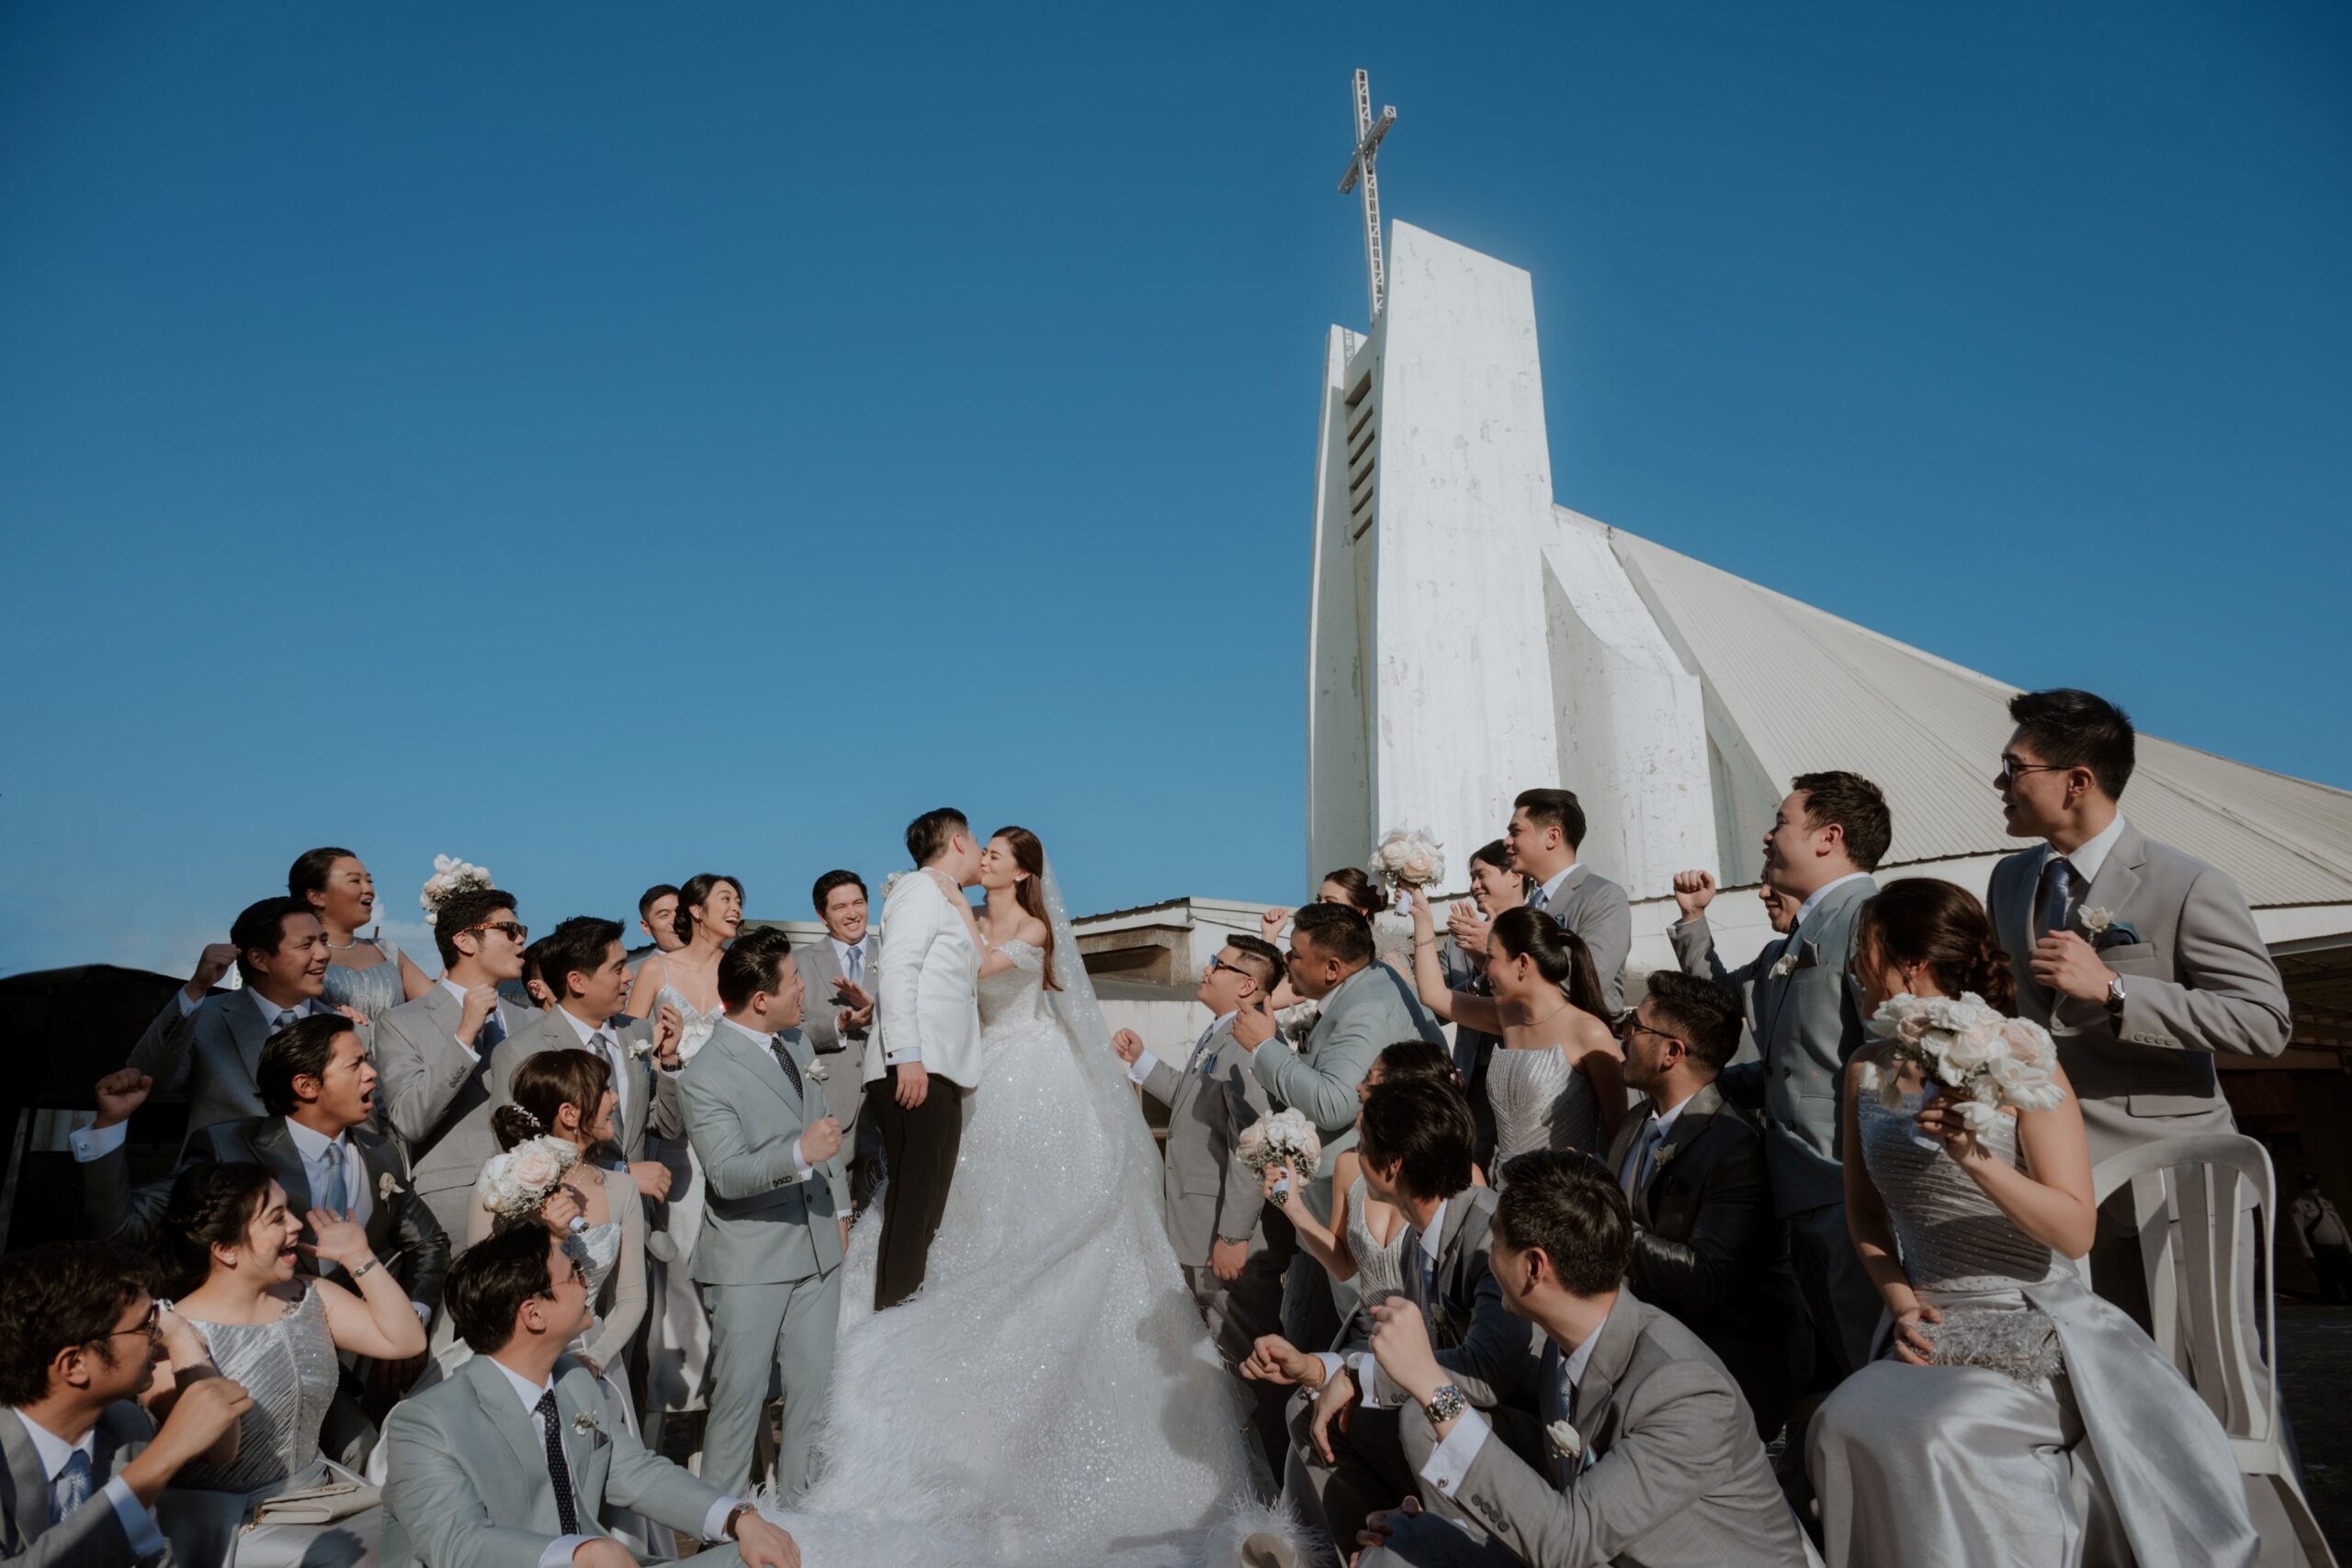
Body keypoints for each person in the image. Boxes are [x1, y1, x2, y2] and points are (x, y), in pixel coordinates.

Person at [770, 823, 1275, 1564]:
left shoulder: (1030, 923)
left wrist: (942, 897)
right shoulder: (959, 909)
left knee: (1043, 1210)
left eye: (998, 855)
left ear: (1020, 870)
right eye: (983, 851)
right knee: (960, 1213)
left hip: (1034, 1074)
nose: (986, 861)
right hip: (975, 1072)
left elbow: (976, 971)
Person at [1809, 876, 2258, 1567]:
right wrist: (1901, 1301)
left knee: (1937, 1432)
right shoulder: (1865, 1069)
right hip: (1924, 1322)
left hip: (2033, 1320)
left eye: (1860, 950)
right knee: (1840, 1419)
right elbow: (1864, 1212)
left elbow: (2076, 1230)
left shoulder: (2020, 1055)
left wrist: (1977, 1159)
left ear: (1910, 963)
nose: (1851, 969)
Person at [1987, 687, 2291, 1329]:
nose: (2000, 781)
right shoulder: (2009, 880)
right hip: (2058, 1188)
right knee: (2103, 1384)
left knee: (2203, 1381)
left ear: (2077, 781)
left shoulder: (2189, 883)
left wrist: (2117, 991)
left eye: (2015, 768)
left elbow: (2265, 1021)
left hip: (2179, 1185)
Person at [1352, 1150, 1815, 1568]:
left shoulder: (1684, 1389)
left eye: (1495, 1242)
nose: (1487, 1255)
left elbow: (1566, 1541)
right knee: (1399, 1546)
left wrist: (1434, 1387)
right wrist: (1442, 1528)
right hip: (1592, 1550)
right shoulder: (1567, 1342)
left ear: (1534, 1266)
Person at [379, 1225, 800, 1568]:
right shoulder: (425, 1423)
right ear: (534, 1314)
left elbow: (637, 1473)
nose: (587, 1283)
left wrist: (738, 1517)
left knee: (762, 1559)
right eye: (575, 1274)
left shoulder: (573, 1381)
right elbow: (458, 1546)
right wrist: (580, 1553)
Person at [1244, 1077, 1540, 1553]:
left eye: (1363, 1143)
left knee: (1408, 1421)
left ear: (1392, 1165)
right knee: (1307, 1406)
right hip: (1444, 1404)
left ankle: (1416, 1549)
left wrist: (1361, 1377)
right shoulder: (1420, 1242)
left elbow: (1487, 1374)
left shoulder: (1491, 1234)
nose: (1355, 1154)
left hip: (1517, 1433)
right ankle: (1360, 1552)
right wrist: (1318, 1369)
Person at [1673, 772, 1890, 1382]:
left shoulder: (1869, 915)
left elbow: (1890, 1050)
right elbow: (1722, 1003)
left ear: (1829, 836)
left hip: (1848, 1185)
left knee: (1876, 1367)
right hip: (1798, 1192)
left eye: (1782, 822)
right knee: (1837, 1371)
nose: (1767, 836)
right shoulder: (1796, 938)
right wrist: (1693, 924)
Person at [79, 1015, 449, 1348]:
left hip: (364, 1350)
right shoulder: (229, 1148)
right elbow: (122, 1229)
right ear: (306, 1085)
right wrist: (110, 1125)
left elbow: (429, 1241)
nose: (372, 1073)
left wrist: (413, 1311)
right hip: (246, 1348)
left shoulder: (382, 1152)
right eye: (356, 1064)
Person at [155, 1159, 430, 1567]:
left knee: (424, 1527)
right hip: (227, 1527)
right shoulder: (170, 1336)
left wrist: (359, 1256)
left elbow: (405, 1340)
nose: (297, 1224)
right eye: (276, 1218)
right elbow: (215, 1452)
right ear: (226, 1250)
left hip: (320, 1500)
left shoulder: (310, 1295)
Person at [681, 928, 844, 1504]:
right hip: (749, 1260)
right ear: (760, 999)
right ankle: (718, 1534)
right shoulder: (703, 1076)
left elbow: (825, 1125)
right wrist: (800, 1153)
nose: (805, 987)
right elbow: (725, 1175)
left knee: (813, 1397)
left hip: (821, 1250)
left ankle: (804, 1519)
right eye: (794, 980)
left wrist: (841, 1209)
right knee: (739, 1400)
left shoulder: (797, 1044)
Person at [1110, 934, 1285, 1472]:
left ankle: (1281, 1483)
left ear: (1247, 985)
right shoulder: (1219, 1035)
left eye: (1218, 964)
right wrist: (1143, 1062)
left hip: (1224, 1235)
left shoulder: (1246, 1047)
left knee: (1248, 1363)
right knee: (1221, 1359)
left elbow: (1250, 1145)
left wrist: (1233, 1235)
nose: (1206, 969)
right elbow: (1194, 1102)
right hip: (1197, 1224)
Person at [1602, 973, 1792, 1439]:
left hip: (1715, 1374)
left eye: (1636, 1026)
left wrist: (1604, 1226)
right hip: (1638, 1360)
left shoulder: (1733, 1145)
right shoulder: (1635, 1121)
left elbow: (1708, 1276)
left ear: (1672, 1052)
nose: (1623, 1034)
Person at [0, 1240, 254, 1567]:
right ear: (75, 1364)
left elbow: (152, 1554)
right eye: (146, 1325)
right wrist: (164, 1455)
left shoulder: (124, 1424)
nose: (157, 1334)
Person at [1242, 901, 1424, 1350]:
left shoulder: (1366, 1010)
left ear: (1332, 968)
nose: (1287, 961)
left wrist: (1266, 1048)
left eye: (1295, 954)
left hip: (1368, 1202)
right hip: (1346, 1196)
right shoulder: (1367, 985)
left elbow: (1334, 1101)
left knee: (1369, 1331)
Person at [1261, 1042, 1484, 1337]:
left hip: (1435, 1344)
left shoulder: (1462, 1175)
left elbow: (1479, 1278)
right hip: (1368, 1333)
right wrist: (1292, 1207)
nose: (1358, 1086)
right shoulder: (1351, 1164)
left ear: (1402, 1095)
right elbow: (1343, 1267)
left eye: (1370, 1078)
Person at [862, 809, 987, 1312]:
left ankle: (905, 1317)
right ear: (958, 841)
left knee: (929, 1206)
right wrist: (906, 1058)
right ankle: (890, 1323)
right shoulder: (917, 890)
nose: (980, 849)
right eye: (977, 839)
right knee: (913, 1207)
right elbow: (897, 969)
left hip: (942, 1070)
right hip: (916, 1069)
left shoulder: (946, 898)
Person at [372, 886, 542, 1237]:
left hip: (538, 1207)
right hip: (455, 1209)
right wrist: (464, 1037)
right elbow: (410, 1121)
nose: (521, 941)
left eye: (521, 931)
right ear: (465, 941)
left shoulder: (531, 1021)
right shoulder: (402, 1022)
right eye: (508, 931)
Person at [1408, 898, 1623, 1172]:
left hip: (1566, 1194)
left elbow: (1621, 1133)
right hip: (1507, 1189)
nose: (1485, 971)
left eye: (1491, 958)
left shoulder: (1589, 1032)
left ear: (1522, 962)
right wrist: (1422, 918)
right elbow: (1433, 995)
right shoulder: (1507, 1018)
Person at [125, 897, 346, 1142]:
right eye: (307, 945)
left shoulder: (347, 1028)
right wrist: (196, 988)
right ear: (259, 959)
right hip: (224, 1175)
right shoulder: (203, 1017)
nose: (324, 953)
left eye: (323, 941)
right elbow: (151, 1076)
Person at [495, 917, 682, 1192]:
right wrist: (622, 1175)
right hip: (567, 1219)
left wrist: (670, 1063)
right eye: (617, 969)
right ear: (577, 982)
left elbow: (666, 1126)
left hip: (639, 1220)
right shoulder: (521, 1050)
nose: (629, 976)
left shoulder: (638, 1032)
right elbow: (516, 1159)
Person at [1447, 790, 1633, 1015]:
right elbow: (1504, 998)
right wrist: (1483, 957)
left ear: (1552, 837)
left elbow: (1589, 982)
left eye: (1516, 832)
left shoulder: (1603, 896)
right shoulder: (1530, 907)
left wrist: (1504, 949)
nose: (1507, 842)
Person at [791, 870, 883, 1212]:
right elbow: (788, 1033)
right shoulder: (798, 962)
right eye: (840, 906)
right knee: (832, 1214)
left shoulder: (895, 955)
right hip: (830, 1108)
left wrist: (875, 1014)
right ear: (821, 915)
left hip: (887, 1101)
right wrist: (838, 1025)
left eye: (858, 903)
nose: (852, 913)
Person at [1441, 840, 1530, 1168]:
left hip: (1516, 1071)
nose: (1474, 886)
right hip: (1469, 1075)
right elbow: (1437, 1004)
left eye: (1482, 875)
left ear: (1515, 876)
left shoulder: (1534, 930)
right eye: (1471, 877)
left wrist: (1483, 962)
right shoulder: (1458, 936)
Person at [290, 847, 434, 1024]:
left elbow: (438, 1006)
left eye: (369, 881)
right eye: (355, 881)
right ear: (317, 896)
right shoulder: (297, 956)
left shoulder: (387, 950)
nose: (369, 890)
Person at [1667, 873, 1795, 1065]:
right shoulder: (1772, 957)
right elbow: (1717, 997)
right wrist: (1692, 914)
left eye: (1774, 881)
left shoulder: (1849, 936)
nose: (1763, 893)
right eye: (1762, 881)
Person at [2292, 1174, 2352, 1303]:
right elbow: (2299, 1232)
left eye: (2315, 1185)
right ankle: (2334, 1311)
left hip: (2340, 1249)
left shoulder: (2325, 1202)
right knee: (2329, 1284)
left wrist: (2349, 1247)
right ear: (2303, 1187)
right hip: (2323, 1251)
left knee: (2349, 1279)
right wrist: (2309, 1256)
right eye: (2310, 1186)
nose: (2313, 1189)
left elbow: (2340, 1226)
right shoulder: (2299, 1205)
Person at [626, 885, 685, 977]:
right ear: (646, 927)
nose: (675, 920)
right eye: (664, 915)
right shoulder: (631, 975)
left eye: (680, 912)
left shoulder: (714, 963)